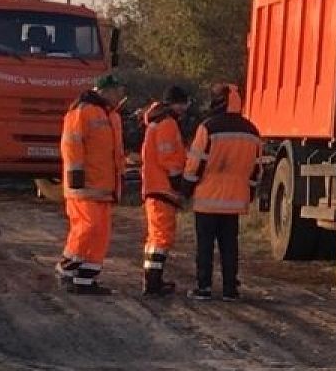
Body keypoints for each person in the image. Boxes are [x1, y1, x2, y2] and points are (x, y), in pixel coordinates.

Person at [182, 83, 262, 301]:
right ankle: (230, 289)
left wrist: (186, 190)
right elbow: (256, 169)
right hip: (235, 201)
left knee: (205, 246)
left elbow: (195, 164)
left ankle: (204, 287)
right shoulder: (252, 131)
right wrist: (250, 193)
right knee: (230, 247)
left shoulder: (208, 128)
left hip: (207, 199)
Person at [56, 74, 127, 295]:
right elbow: (71, 144)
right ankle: (66, 268)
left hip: (104, 187)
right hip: (85, 186)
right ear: (104, 91)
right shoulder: (82, 112)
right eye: (117, 91)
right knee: (87, 228)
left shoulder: (111, 116)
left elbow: (114, 152)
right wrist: (76, 176)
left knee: (100, 233)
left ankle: (86, 279)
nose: (120, 95)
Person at [139, 85, 190, 296]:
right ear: (177, 103)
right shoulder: (167, 123)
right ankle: (153, 283)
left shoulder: (157, 122)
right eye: (185, 103)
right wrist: (178, 180)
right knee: (161, 237)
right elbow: (169, 156)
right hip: (162, 188)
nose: (186, 108)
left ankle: (153, 280)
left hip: (155, 187)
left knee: (155, 238)